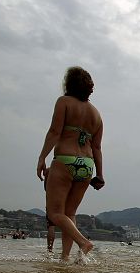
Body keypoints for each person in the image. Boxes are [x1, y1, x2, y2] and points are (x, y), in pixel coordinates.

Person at [36, 66, 105, 261]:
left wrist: (42, 157)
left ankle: (83, 242)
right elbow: (97, 148)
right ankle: (65, 257)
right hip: (87, 165)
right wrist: (100, 174)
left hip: (65, 160)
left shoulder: (64, 102)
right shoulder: (96, 114)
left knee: (54, 213)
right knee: (69, 213)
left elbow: (55, 132)